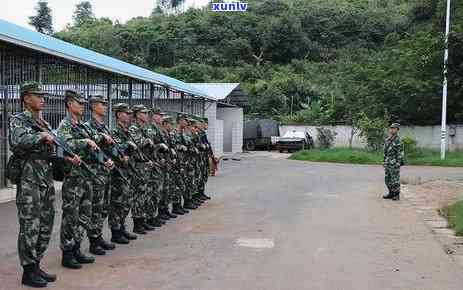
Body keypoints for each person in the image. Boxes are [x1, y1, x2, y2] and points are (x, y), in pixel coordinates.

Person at [9, 81, 56, 287]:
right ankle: (28, 271)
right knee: (30, 224)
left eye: (42, 95)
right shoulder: (18, 120)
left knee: (46, 222)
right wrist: (40, 136)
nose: (42, 99)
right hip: (29, 179)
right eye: (37, 95)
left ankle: (36, 264)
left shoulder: (44, 123)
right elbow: (17, 141)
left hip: (45, 177)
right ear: (26, 98)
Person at [58, 90, 100, 269]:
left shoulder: (81, 126)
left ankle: (77, 247)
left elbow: (94, 140)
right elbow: (64, 145)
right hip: (73, 178)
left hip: (85, 176)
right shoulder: (65, 125)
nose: (82, 106)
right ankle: (67, 253)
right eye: (79, 103)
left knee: (84, 215)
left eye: (83, 103)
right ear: (69, 104)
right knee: (71, 216)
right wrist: (85, 142)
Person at [84, 95, 116, 255]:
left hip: (105, 172)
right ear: (93, 106)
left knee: (103, 207)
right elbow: (92, 150)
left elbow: (109, 148)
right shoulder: (88, 126)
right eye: (102, 104)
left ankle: (99, 236)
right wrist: (104, 160)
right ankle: (93, 240)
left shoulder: (104, 127)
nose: (105, 106)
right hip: (95, 172)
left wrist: (111, 159)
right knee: (95, 207)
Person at [109, 103, 137, 244]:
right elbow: (112, 150)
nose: (129, 116)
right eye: (126, 113)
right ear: (119, 114)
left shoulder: (127, 131)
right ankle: (115, 231)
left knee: (126, 202)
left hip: (127, 171)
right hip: (119, 172)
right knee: (117, 202)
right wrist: (121, 156)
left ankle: (122, 227)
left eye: (129, 113)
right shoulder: (114, 132)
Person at [129, 104, 156, 234]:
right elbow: (138, 144)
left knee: (145, 194)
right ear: (138, 114)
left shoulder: (146, 128)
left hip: (147, 164)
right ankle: (137, 223)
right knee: (138, 194)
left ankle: (143, 220)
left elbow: (151, 147)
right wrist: (147, 140)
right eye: (144, 113)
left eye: (146, 113)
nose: (146, 115)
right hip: (138, 165)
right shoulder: (134, 128)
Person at [383, 123, 404, 201]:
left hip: (395, 162)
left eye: (394, 128)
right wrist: (384, 161)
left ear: (397, 130)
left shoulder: (399, 140)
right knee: (387, 179)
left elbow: (400, 152)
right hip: (388, 162)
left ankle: (396, 195)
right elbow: (385, 152)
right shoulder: (388, 139)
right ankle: (391, 193)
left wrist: (399, 162)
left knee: (395, 179)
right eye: (391, 128)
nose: (392, 129)